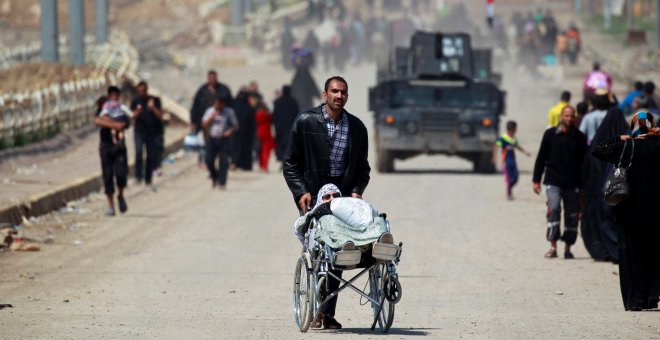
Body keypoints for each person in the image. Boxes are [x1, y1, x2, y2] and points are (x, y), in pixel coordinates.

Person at [283, 76, 371, 330]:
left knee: (338, 252)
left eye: (343, 92)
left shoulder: (356, 128)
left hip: (341, 197)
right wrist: (301, 192)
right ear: (325, 95)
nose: (338, 96)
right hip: (313, 193)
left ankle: (327, 312)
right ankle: (314, 306)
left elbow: (362, 168)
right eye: (334, 91)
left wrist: (355, 192)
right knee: (317, 251)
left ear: (347, 96)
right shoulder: (305, 121)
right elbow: (291, 164)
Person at [592, 112, 660, 311]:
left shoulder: (625, 145)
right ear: (651, 125)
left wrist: (618, 138)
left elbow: (598, 149)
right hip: (655, 210)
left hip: (629, 210)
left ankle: (634, 299)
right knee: (652, 252)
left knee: (631, 254)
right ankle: (651, 296)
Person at [533, 105, 588, 259]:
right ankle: (553, 247)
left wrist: (584, 186)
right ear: (561, 117)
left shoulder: (579, 137)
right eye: (567, 116)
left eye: (572, 116)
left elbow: (585, 163)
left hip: (573, 183)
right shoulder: (550, 135)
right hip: (553, 180)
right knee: (554, 208)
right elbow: (541, 157)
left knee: (572, 215)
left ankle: (568, 248)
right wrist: (536, 180)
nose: (569, 118)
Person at [580, 107, 628, 262]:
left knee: (604, 219)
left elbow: (588, 171)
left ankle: (609, 250)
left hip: (601, 196)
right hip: (624, 192)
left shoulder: (599, 147)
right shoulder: (628, 145)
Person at [95, 86, 130, 216]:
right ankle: (111, 206)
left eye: (117, 95)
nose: (114, 98)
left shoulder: (121, 109)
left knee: (121, 174)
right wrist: (115, 124)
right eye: (112, 95)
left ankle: (120, 195)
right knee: (107, 175)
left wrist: (108, 122)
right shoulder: (103, 107)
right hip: (105, 146)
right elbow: (98, 120)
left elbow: (125, 124)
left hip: (119, 146)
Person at [190, 70, 234, 166]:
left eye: (214, 78)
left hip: (222, 120)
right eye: (210, 78)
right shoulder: (202, 91)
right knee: (208, 142)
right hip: (207, 121)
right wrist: (193, 121)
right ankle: (209, 162)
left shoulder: (223, 89)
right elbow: (195, 106)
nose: (212, 80)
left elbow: (231, 104)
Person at [130, 81, 163, 190]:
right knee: (139, 152)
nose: (142, 93)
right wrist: (137, 112)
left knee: (150, 155)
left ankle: (148, 178)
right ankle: (138, 176)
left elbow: (160, 116)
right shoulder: (135, 101)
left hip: (151, 132)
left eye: (143, 91)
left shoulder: (154, 100)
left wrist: (152, 108)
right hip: (139, 132)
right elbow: (131, 116)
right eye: (140, 91)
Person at [202, 97, 239, 189]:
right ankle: (215, 177)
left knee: (224, 161)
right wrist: (211, 118)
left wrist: (230, 130)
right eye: (216, 104)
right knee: (209, 160)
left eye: (219, 105)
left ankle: (222, 182)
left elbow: (236, 126)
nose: (217, 107)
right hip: (212, 139)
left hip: (224, 139)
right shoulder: (210, 111)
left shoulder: (229, 112)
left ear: (223, 104)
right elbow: (204, 124)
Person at [493, 121, 531, 200]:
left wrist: (525, 152)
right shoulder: (503, 138)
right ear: (512, 129)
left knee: (516, 177)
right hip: (506, 162)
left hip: (513, 161)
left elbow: (517, 146)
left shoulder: (514, 138)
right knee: (508, 178)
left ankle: (509, 189)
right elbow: (496, 146)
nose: (516, 130)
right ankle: (509, 193)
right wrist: (494, 157)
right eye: (515, 128)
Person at [272, 85, 300, 162]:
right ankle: (287, 160)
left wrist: (275, 124)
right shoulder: (293, 102)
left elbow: (275, 115)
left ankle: (282, 159)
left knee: (281, 144)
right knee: (289, 144)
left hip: (280, 127)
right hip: (290, 127)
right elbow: (297, 114)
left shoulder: (278, 102)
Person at [254, 96, 275, 172]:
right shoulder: (267, 115)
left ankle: (261, 166)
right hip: (266, 133)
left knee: (260, 150)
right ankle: (265, 166)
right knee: (266, 150)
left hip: (259, 133)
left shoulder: (258, 114)